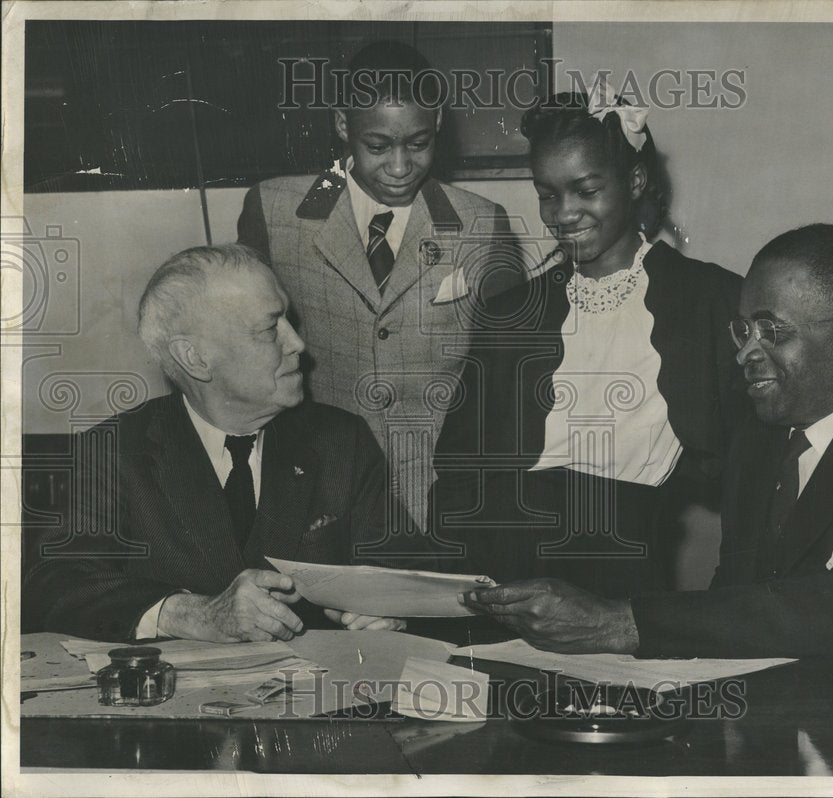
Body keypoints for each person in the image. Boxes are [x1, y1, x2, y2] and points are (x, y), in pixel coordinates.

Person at [462, 224, 833, 775]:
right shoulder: (759, 438)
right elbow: (737, 599)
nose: (745, 353)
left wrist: (625, 621)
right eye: (743, 330)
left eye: (772, 332)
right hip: (777, 731)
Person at [430, 81, 745, 595]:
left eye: (587, 190)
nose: (563, 213)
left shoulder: (711, 299)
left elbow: (752, 463)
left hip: (621, 561)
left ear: (636, 180)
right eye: (547, 195)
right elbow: (458, 464)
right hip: (499, 563)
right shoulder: (511, 311)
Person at [22, 244, 417, 643]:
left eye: (290, 321)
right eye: (270, 329)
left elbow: (404, 563)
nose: (297, 343)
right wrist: (187, 614)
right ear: (195, 359)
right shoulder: (112, 451)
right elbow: (53, 584)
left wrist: (391, 609)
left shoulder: (340, 440)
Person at [237, 41, 524, 534]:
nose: (398, 166)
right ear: (344, 126)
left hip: (437, 491)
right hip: (312, 486)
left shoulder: (483, 223)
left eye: (418, 144)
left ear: (437, 125)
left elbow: (505, 374)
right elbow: (246, 348)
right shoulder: (275, 210)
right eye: (377, 146)